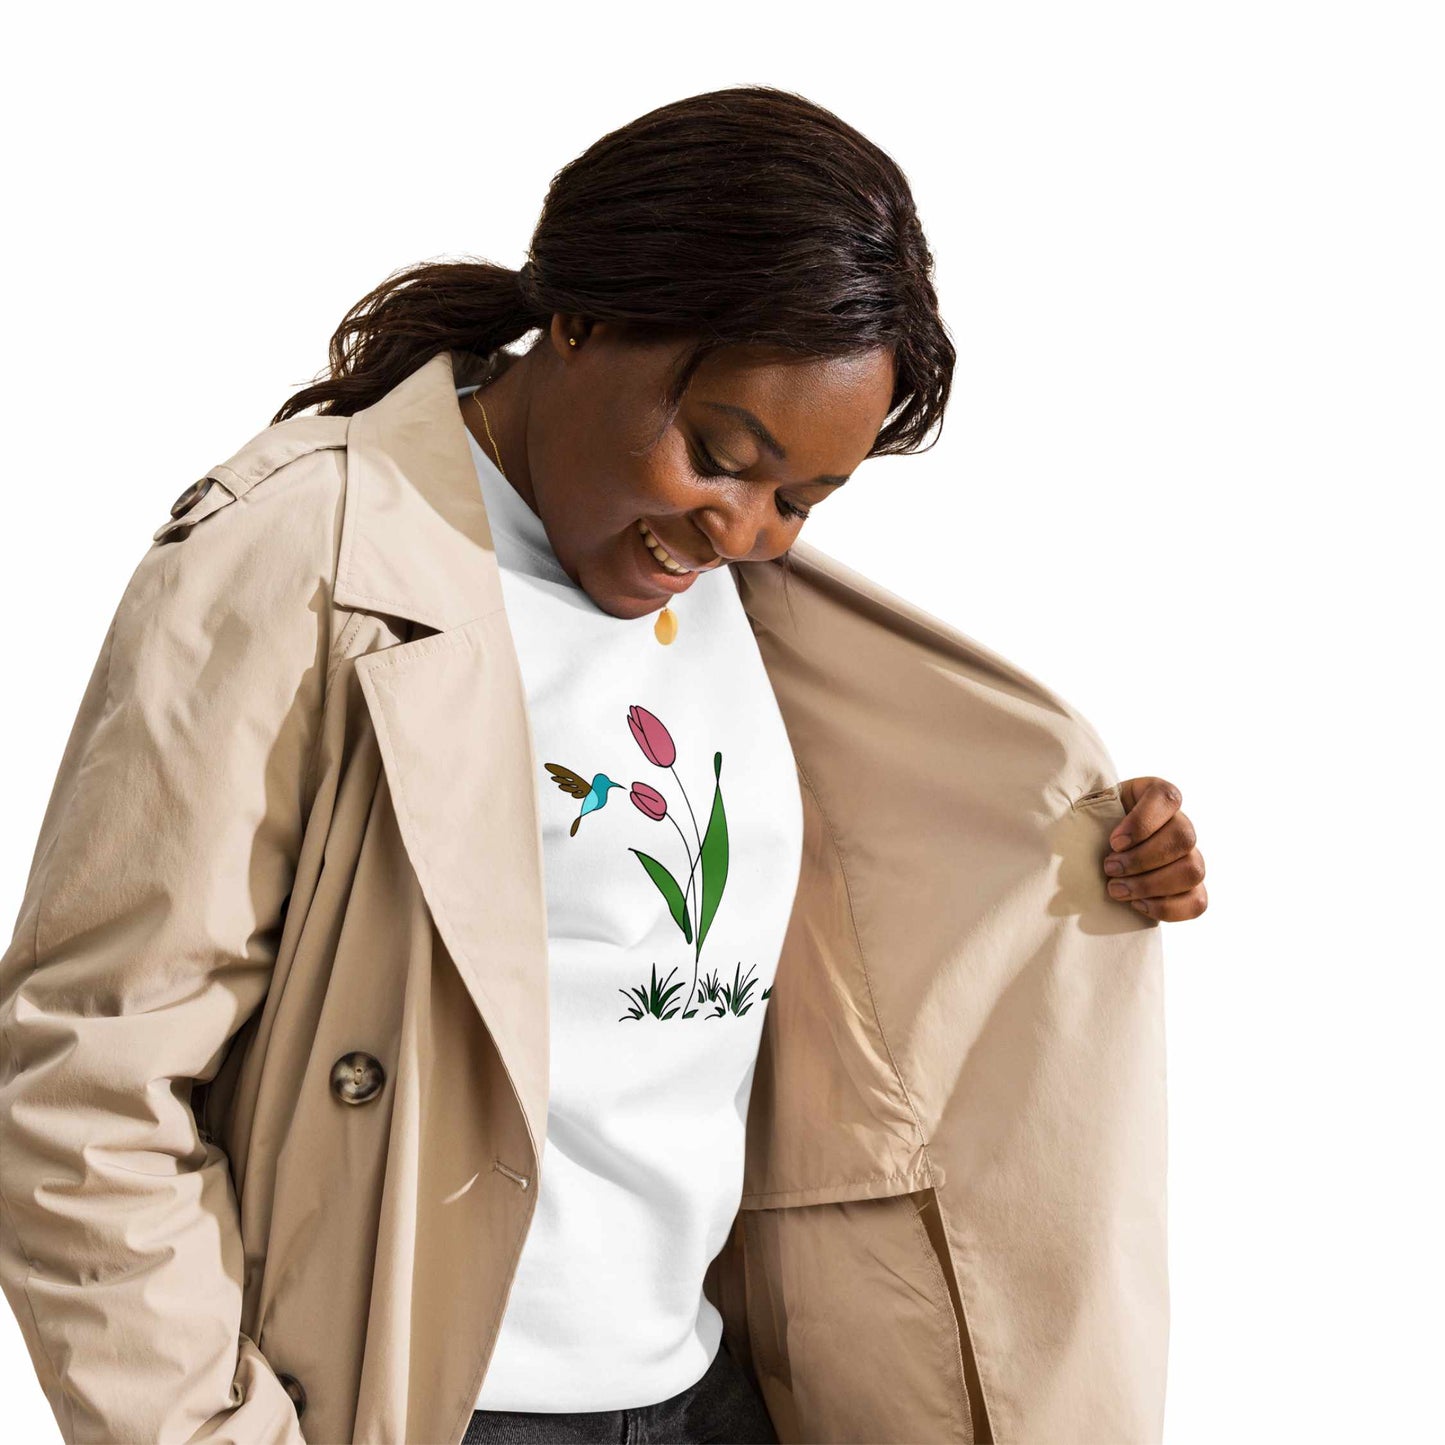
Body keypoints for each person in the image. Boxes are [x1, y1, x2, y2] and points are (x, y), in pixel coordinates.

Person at [0, 85, 1205, 1445]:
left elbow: (838, 954)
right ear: (579, 320)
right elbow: (84, 1083)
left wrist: (1072, 851)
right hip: (432, 1405)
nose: (742, 527)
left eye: (800, 499)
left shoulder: (741, 610)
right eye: (721, 453)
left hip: (705, 1391)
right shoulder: (303, 557)